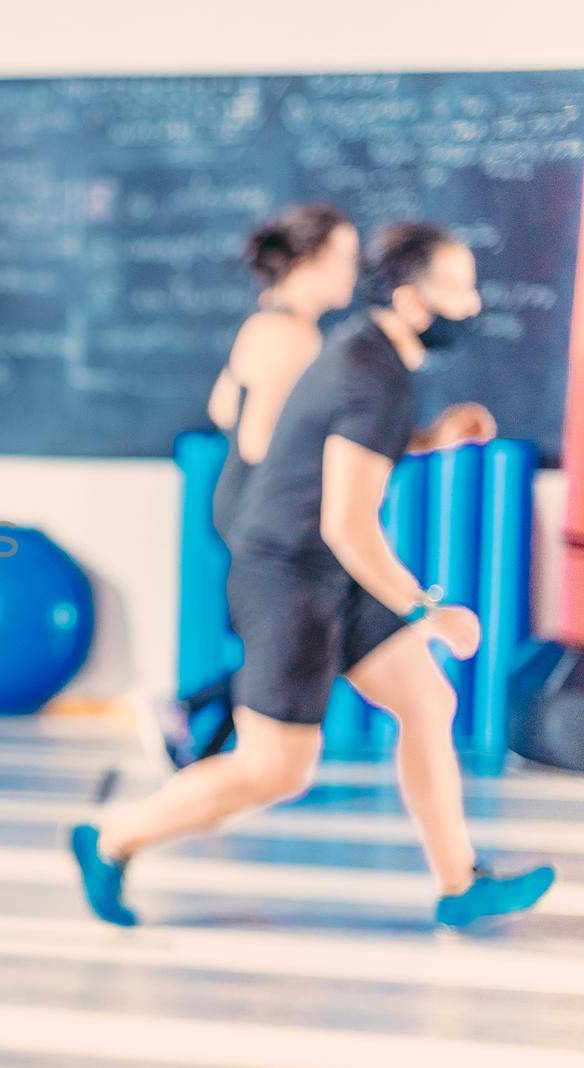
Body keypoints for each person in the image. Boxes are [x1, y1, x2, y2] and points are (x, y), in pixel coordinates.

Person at [76, 222, 555, 928]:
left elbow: (334, 446)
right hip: (289, 576)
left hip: (321, 568)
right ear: (411, 298)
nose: (473, 304)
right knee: (276, 770)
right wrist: (427, 612)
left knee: (426, 703)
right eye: (457, 289)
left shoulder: (369, 352)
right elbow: (346, 522)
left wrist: (428, 438)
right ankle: (111, 839)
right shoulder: (370, 370)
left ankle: (460, 884)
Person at [155, 205, 359, 767]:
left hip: (245, 501)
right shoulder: (288, 335)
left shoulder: (269, 325)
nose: (353, 271)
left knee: (295, 639)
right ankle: (190, 712)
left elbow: (222, 404)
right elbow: (261, 441)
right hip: (265, 511)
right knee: (302, 638)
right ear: (304, 262)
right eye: (342, 258)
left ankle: (197, 733)